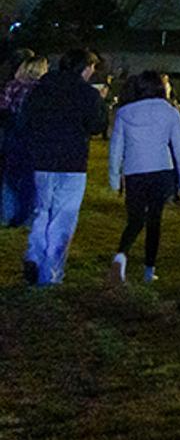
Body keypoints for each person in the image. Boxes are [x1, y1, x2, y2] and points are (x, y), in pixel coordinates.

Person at [19, 49, 108, 286]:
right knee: (63, 217)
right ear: (86, 67)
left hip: (41, 160)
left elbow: (25, 119)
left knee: (41, 212)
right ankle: (51, 271)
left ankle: (34, 256)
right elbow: (97, 126)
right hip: (72, 163)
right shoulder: (87, 94)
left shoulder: (40, 89)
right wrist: (102, 104)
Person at [106, 70, 180, 284]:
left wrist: (114, 180)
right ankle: (148, 269)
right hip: (161, 170)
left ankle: (121, 255)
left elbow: (116, 150)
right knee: (155, 220)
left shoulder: (125, 113)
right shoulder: (170, 112)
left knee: (135, 220)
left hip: (134, 172)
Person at [0, 55, 48, 228]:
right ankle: (25, 215)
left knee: (10, 174)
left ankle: (8, 213)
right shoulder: (42, 90)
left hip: (13, 133)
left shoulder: (13, 86)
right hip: (34, 136)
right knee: (30, 177)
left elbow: (3, 109)